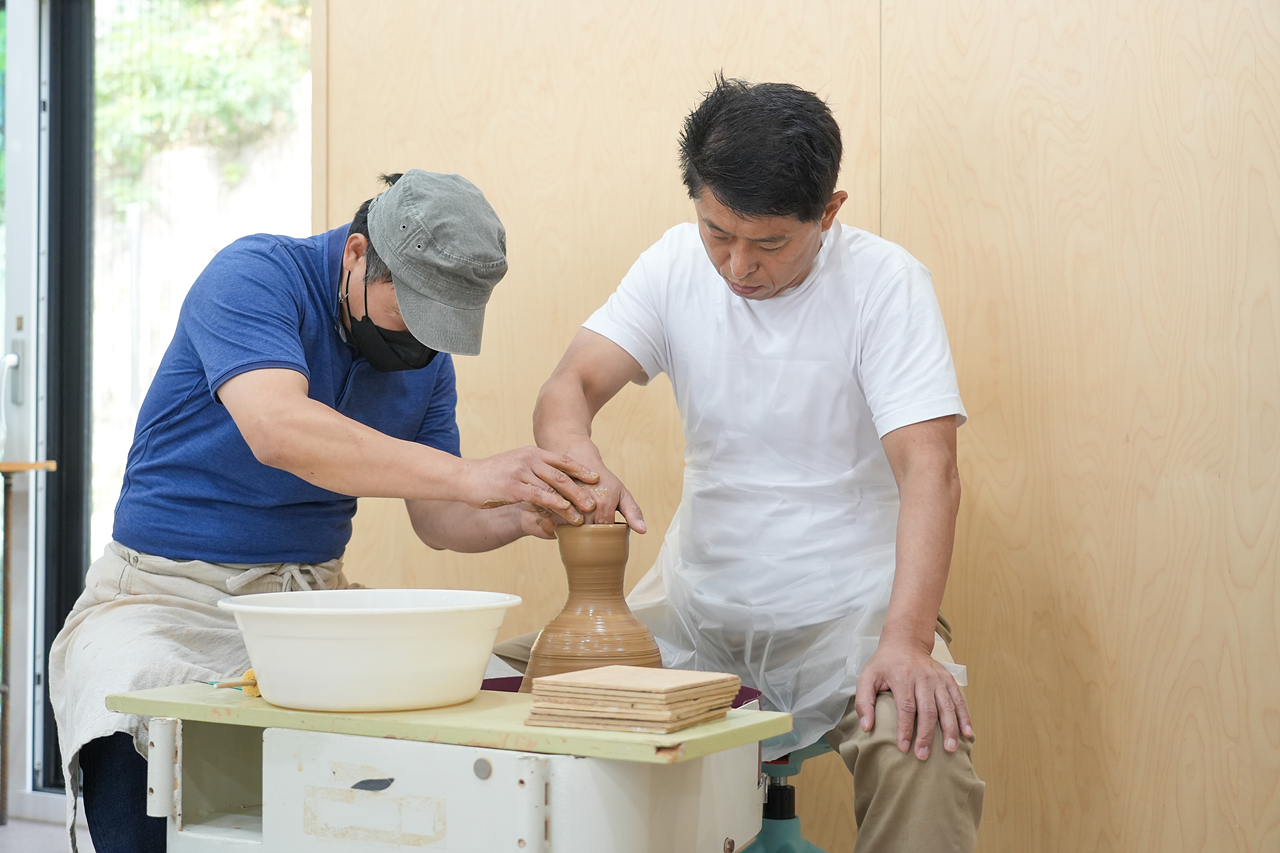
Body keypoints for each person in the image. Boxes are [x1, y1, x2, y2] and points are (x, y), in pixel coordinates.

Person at [49, 170, 600, 853]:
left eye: (440, 330)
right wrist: (469, 475)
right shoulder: (254, 276)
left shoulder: (423, 362)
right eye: (414, 314)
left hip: (307, 604)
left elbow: (437, 517)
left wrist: (521, 509)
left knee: (458, 684)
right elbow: (278, 429)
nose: (419, 346)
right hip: (166, 599)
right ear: (357, 255)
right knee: (129, 692)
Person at [512, 77, 986, 850]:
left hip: (853, 620)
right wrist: (577, 459)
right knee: (513, 688)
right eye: (717, 232)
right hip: (694, 614)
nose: (737, 265)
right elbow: (569, 385)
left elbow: (930, 470)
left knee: (921, 740)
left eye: (769, 243)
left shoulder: (885, 285)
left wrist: (906, 640)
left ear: (829, 212)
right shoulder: (673, 264)